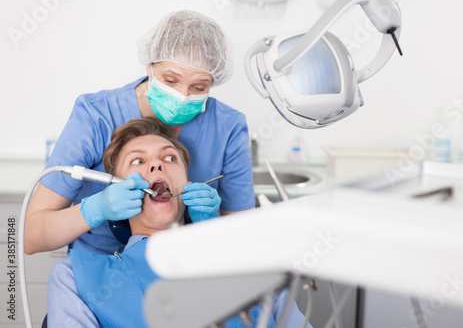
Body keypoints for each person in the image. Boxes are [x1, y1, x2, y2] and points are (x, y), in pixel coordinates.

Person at [25, 10, 255, 256]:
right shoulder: (96, 116)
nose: (183, 95)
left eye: (199, 87)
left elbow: (244, 243)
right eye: (170, 80)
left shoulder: (228, 127)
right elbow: (31, 237)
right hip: (99, 269)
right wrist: (94, 210)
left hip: (186, 268)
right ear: (150, 66)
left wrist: (209, 225)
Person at [47, 118, 310, 328]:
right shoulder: (75, 276)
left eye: (170, 158)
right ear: (116, 190)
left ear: (187, 184)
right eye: (138, 160)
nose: (157, 166)